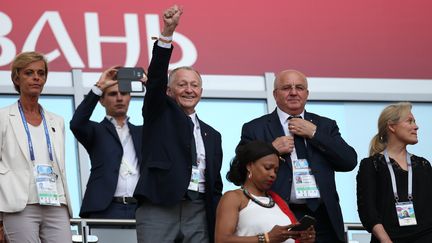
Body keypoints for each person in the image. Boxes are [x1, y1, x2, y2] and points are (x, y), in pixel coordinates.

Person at [133, 5, 223, 243]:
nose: (189, 90)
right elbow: (156, 78)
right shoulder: (159, 114)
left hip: (199, 211)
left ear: (201, 92)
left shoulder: (212, 135)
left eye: (194, 85)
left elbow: (215, 183)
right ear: (168, 91)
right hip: (159, 206)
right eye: (182, 84)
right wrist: (167, 33)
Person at [239, 69, 357, 242]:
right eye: (287, 88)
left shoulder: (325, 125)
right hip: (276, 214)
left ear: (307, 94)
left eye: (299, 88)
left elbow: (348, 161)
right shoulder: (255, 128)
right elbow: (239, 170)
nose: (293, 92)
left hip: (323, 217)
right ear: (275, 94)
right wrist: (271, 150)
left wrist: (315, 134)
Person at [0, 51, 72, 242]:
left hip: (56, 203)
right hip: (19, 204)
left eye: (41, 73)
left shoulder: (57, 121)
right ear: (17, 77)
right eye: (29, 73)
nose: (36, 78)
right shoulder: (3, 117)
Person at [70, 65, 144, 219]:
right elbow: (77, 123)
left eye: (123, 93)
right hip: (105, 209)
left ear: (130, 97)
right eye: (112, 94)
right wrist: (99, 87)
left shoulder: (143, 133)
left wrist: (151, 85)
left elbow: (164, 119)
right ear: (101, 101)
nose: (119, 98)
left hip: (140, 209)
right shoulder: (96, 131)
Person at [356, 102, 432, 243]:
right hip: (387, 239)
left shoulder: (423, 165)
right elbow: (368, 212)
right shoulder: (371, 165)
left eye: (414, 121)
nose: (416, 126)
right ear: (392, 126)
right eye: (410, 121)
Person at [215, 140, 316, 243]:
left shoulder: (279, 202)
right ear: (249, 166)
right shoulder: (233, 198)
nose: (273, 174)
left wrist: (305, 239)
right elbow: (222, 240)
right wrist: (267, 238)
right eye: (268, 168)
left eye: (276, 171)